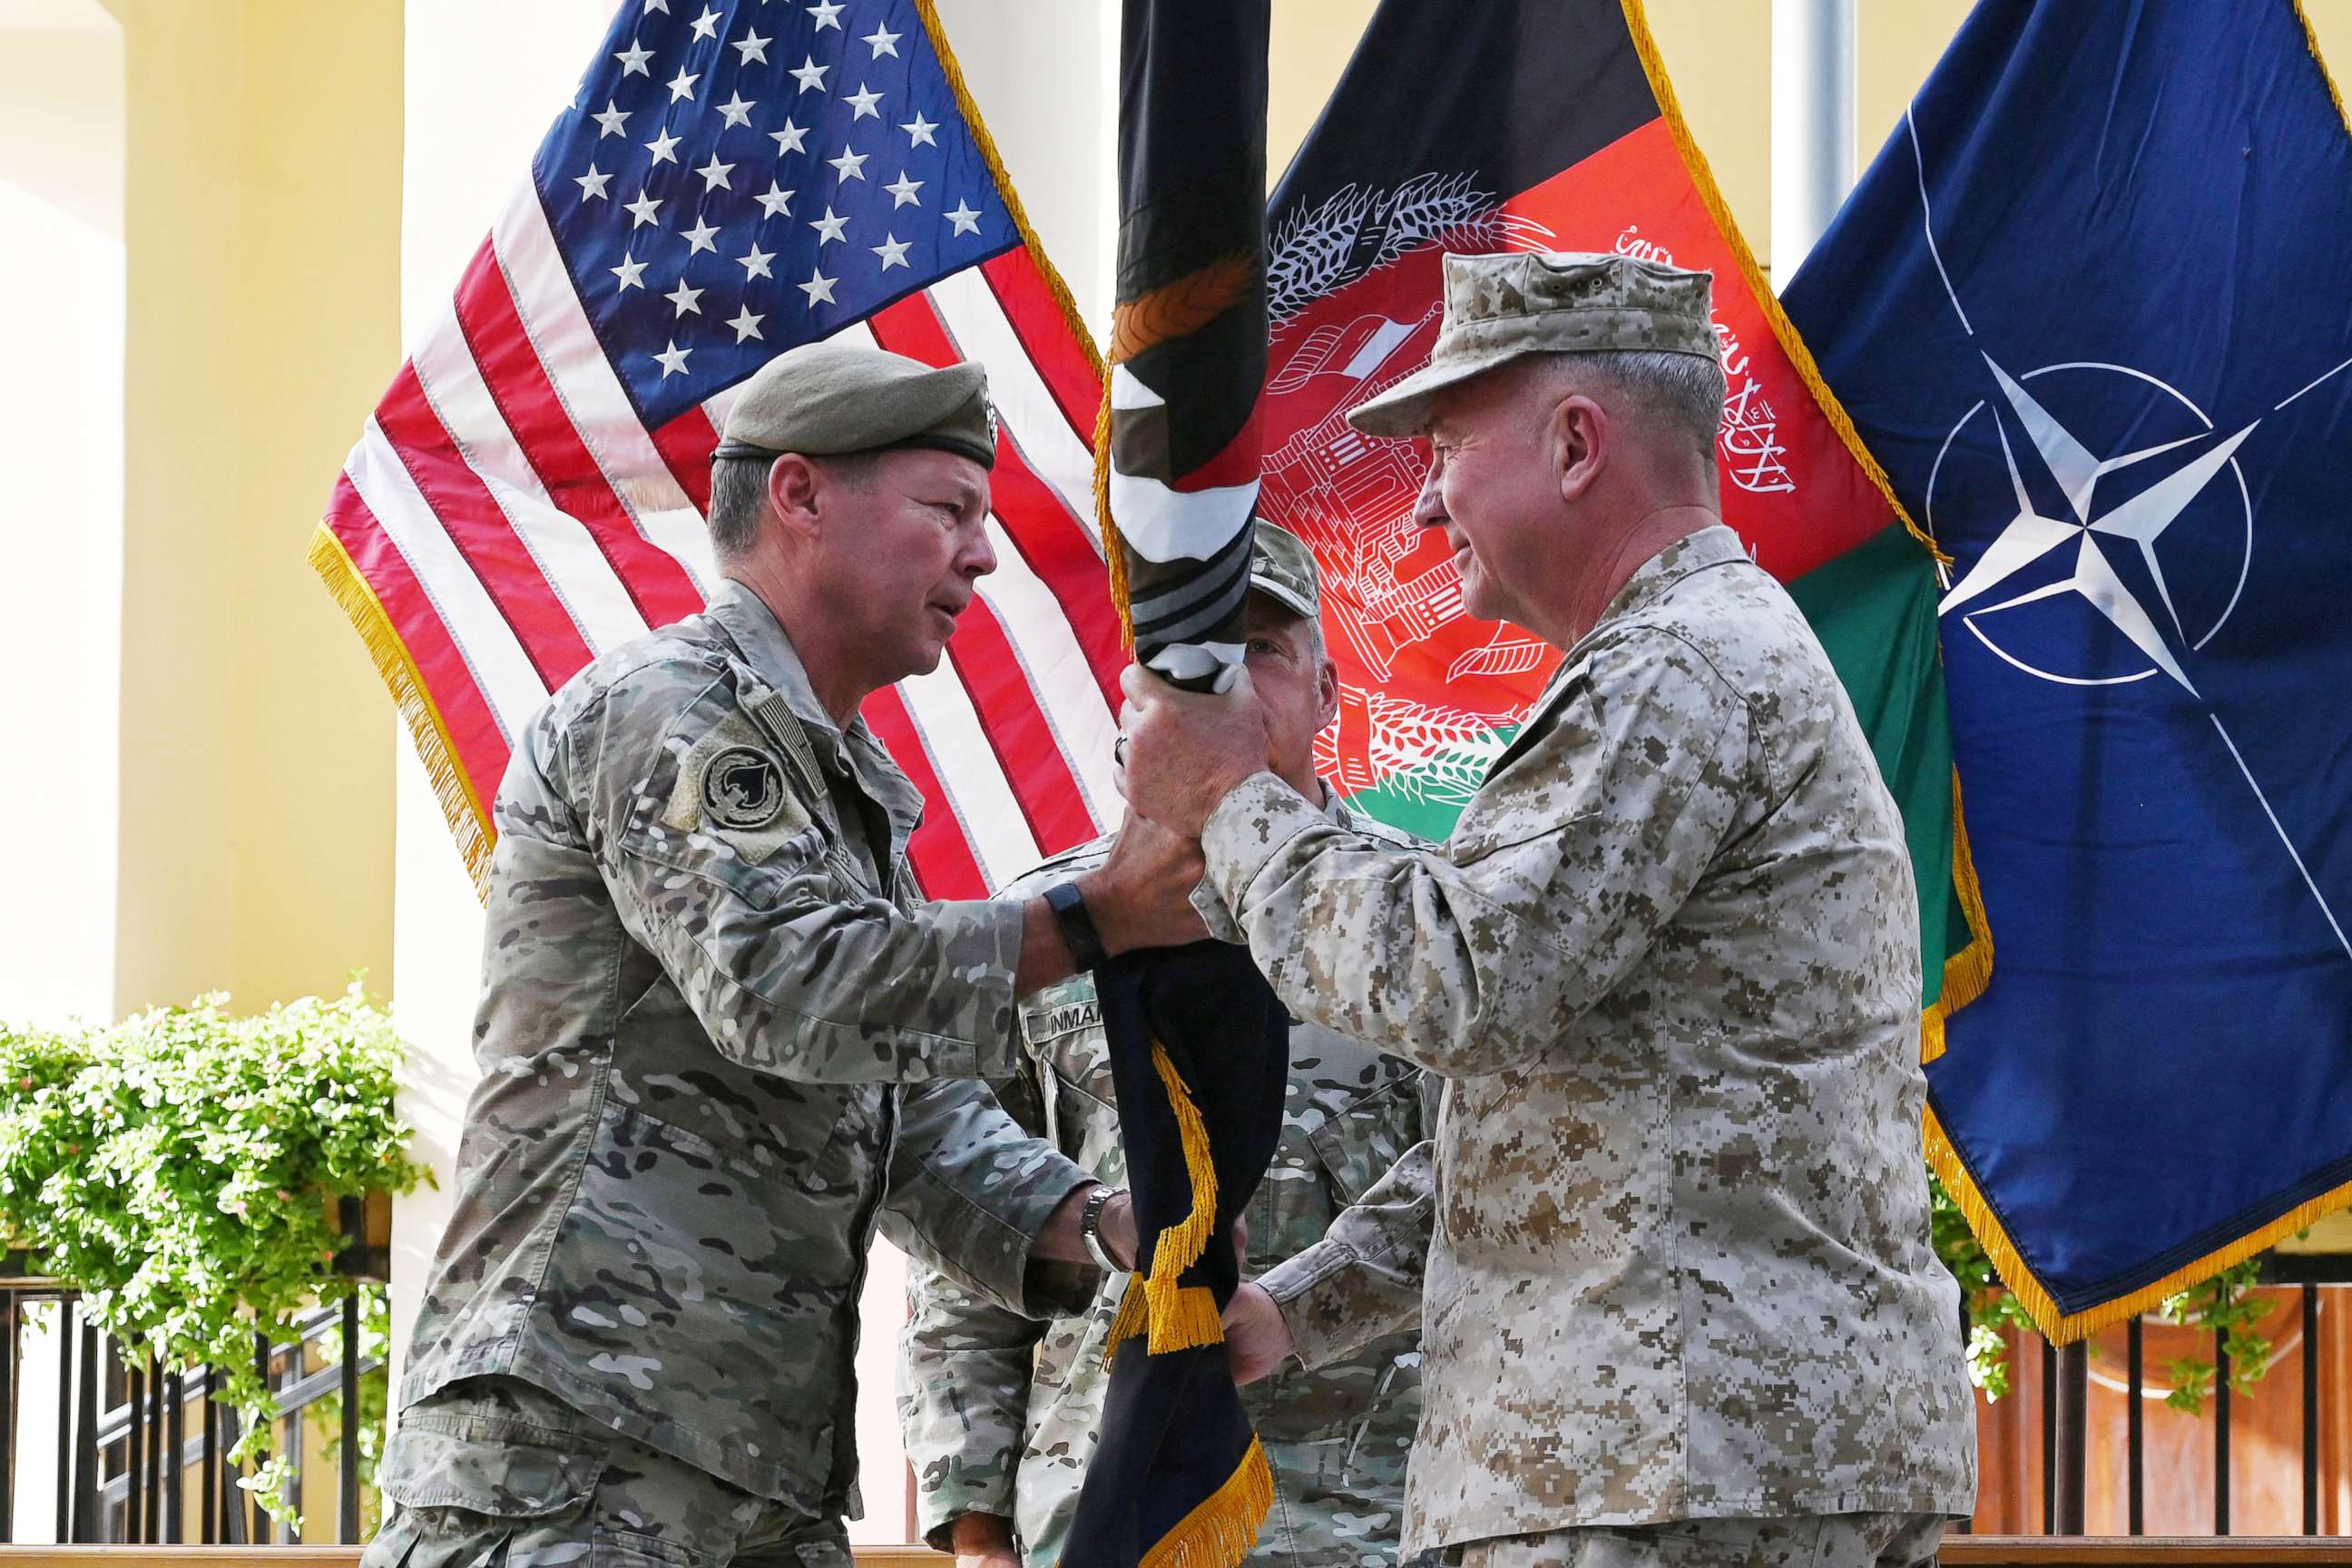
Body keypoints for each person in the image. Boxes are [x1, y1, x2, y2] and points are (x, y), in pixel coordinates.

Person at [1116, 251, 1977, 1567]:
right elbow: (1563, 1109)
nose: (1422, 510)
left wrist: (1230, 798)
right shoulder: (1696, 657)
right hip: (1689, 1455)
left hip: (1670, 1466)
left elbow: (1450, 982)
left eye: (1448, 446)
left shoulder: (1676, 668)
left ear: (1577, 443)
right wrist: (1299, 1306)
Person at [365, 342, 1204, 1568]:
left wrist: (1097, 1220)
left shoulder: (835, 781)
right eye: (948, 511)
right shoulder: (674, 709)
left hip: (750, 1472)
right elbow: (785, 987)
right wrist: (1085, 920)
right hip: (580, 1453)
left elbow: (894, 1112)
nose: (980, 553)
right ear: (801, 496)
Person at [898, 525, 1436, 1568]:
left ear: (1328, 696)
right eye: (1189, 664)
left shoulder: (1427, 925)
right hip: (1100, 1512)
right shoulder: (1037, 938)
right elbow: (965, 1263)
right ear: (1133, 705)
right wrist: (975, 1535)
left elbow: (1484, 1206)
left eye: (1262, 653)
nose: (1224, 690)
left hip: (1375, 1517)